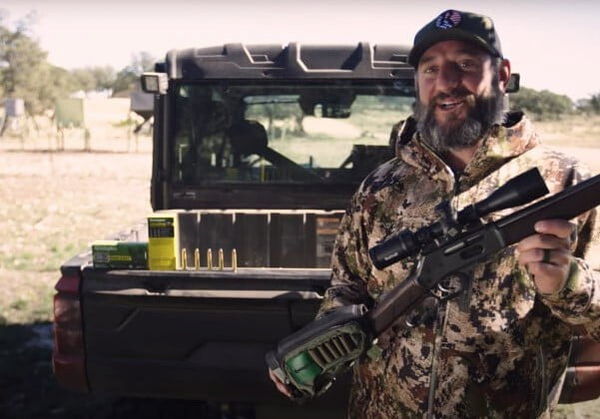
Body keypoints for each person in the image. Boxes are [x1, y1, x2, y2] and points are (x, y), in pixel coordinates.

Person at [270, 9, 600, 418]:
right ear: (418, 83)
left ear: (501, 75)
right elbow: (346, 289)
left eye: (464, 65)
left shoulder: (567, 184)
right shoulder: (380, 187)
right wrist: (317, 349)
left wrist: (568, 282)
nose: (446, 82)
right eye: (430, 69)